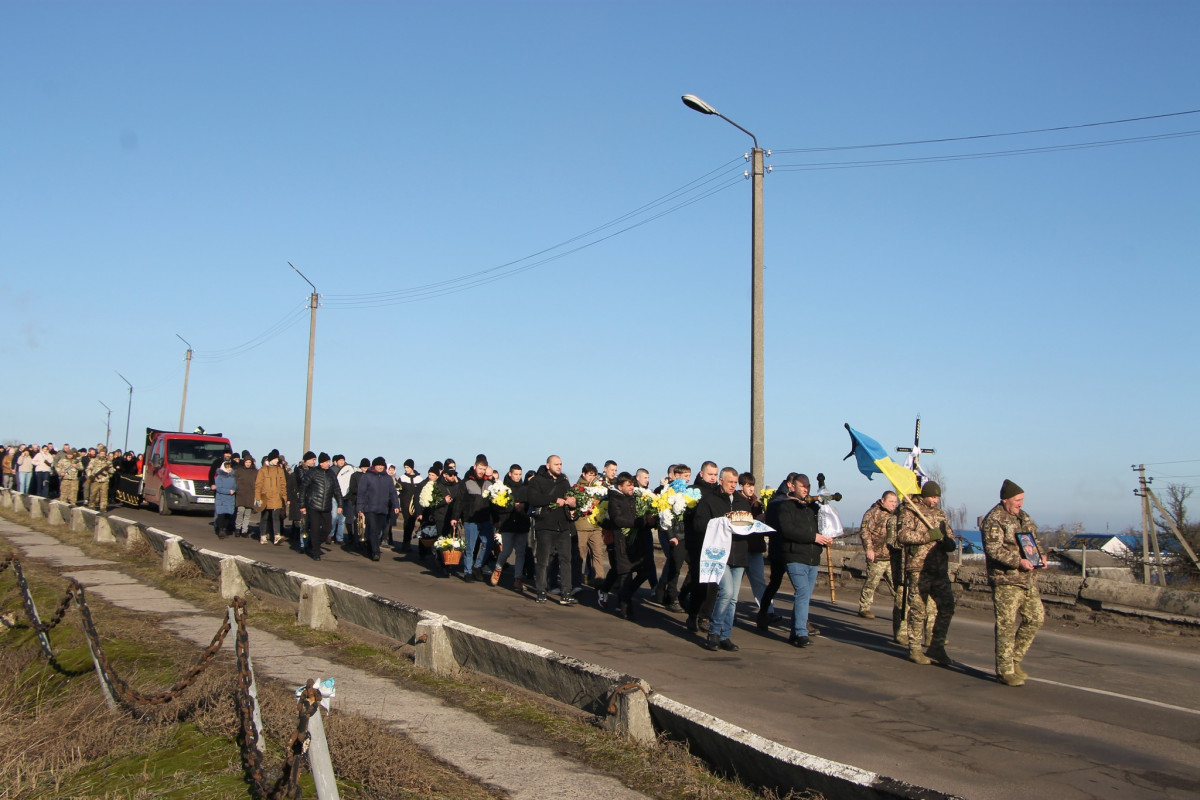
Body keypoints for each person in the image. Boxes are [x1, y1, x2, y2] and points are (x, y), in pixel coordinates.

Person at [982, 479, 1045, 687]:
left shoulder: (1023, 517)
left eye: (1022, 500)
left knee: (1036, 618)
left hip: (1027, 579)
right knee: (1006, 625)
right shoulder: (994, 519)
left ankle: (1015, 659)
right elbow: (994, 550)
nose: (1020, 504)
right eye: (1017, 500)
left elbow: (1033, 541)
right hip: (1006, 579)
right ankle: (1004, 670)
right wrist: (1019, 561)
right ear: (1005, 499)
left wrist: (1040, 557)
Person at [687, 466, 752, 646]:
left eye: (735, 482)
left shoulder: (741, 501)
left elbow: (748, 522)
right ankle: (714, 632)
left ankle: (725, 636)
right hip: (718, 554)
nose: (733, 485)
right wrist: (721, 523)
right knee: (726, 592)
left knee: (733, 598)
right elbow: (699, 525)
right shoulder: (709, 500)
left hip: (738, 553)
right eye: (729, 482)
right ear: (721, 481)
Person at [766, 473, 830, 648]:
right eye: (802, 485)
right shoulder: (784, 506)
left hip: (812, 557)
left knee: (805, 596)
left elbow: (823, 525)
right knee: (802, 592)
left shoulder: (813, 508)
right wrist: (813, 537)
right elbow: (788, 531)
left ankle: (794, 633)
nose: (806, 489)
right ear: (792, 486)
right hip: (794, 555)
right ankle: (801, 632)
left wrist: (826, 536)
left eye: (808, 486)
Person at [896, 481, 956, 666]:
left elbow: (950, 536)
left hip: (939, 568)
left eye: (937, 497)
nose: (935, 501)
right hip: (919, 568)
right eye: (932, 497)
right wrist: (928, 536)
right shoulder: (910, 511)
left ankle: (937, 645)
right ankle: (914, 648)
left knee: (947, 606)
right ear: (924, 496)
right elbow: (903, 536)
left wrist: (948, 542)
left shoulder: (940, 514)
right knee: (918, 609)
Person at [526, 455, 577, 606]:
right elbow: (533, 499)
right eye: (556, 464)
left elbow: (571, 502)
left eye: (561, 464)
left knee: (566, 560)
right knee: (543, 560)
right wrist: (554, 499)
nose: (559, 467)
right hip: (545, 526)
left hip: (563, 526)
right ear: (548, 465)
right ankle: (541, 591)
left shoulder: (564, 482)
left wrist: (573, 504)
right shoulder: (537, 480)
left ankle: (566, 593)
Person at [606, 472, 656, 620]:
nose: (632, 487)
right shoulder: (614, 500)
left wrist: (651, 520)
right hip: (622, 543)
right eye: (628, 485)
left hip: (638, 543)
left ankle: (624, 596)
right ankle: (625, 608)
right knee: (625, 576)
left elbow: (643, 516)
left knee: (646, 571)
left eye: (633, 484)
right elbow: (618, 519)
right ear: (620, 486)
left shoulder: (636, 498)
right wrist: (639, 522)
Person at [857, 490, 900, 619]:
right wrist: (869, 549)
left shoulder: (897, 514)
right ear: (883, 501)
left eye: (895, 502)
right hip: (877, 556)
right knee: (871, 583)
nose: (894, 504)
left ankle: (902, 609)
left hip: (892, 557)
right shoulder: (872, 513)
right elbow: (865, 532)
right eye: (891, 501)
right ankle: (864, 607)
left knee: (898, 586)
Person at [301, 453, 343, 561]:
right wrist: (302, 505)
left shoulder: (331, 474)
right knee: (314, 529)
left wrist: (340, 504)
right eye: (326, 462)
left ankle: (313, 543)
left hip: (326, 506)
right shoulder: (312, 472)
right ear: (321, 463)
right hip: (313, 505)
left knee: (327, 528)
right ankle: (315, 552)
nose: (328, 464)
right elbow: (303, 489)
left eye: (329, 462)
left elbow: (337, 490)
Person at [460, 457, 497, 581]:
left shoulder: (489, 484)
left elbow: (493, 504)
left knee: (489, 543)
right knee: (470, 547)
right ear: (475, 467)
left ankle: (478, 565)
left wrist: (496, 519)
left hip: (486, 519)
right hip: (471, 519)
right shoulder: (466, 482)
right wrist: (455, 517)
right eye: (480, 468)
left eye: (484, 469)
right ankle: (468, 572)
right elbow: (459, 501)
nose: (482, 471)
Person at [358, 457, 400, 562]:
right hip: (370, 508)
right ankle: (376, 552)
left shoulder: (388, 479)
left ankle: (369, 546)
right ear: (374, 466)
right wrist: (360, 508)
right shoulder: (367, 477)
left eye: (382, 465)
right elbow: (361, 493)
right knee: (372, 530)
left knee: (378, 531)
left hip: (383, 509)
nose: (380, 467)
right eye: (378, 465)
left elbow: (393, 493)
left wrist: (396, 506)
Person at [573, 463, 607, 588]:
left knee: (598, 554)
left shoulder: (600, 487)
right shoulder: (577, 487)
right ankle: (576, 583)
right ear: (584, 474)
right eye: (590, 475)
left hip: (596, 527)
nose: (592, 477)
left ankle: (600, 582)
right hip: (581, 527)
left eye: (594, 475)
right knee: (579, 557)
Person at [255, 449, 288, 545]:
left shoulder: (280, 471)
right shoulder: (263, 470)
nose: (277, 460)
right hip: (265, 497)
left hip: (276, 498)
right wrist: (258, 498)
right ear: (270, 460)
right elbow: (258, 485)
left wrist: (284, 497)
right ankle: (263, 535)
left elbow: (283, 485)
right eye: (275, 459)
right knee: (264, 517)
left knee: (276, 517)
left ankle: (277, 536)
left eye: (277, 459)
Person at [234, 452, 258, 538]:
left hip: (250, 495)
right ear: (244, 462)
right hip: (241, 495)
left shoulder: (255, 472)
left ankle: (244, 530)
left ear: (251, 463)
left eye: (249, 462)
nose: (248, 464)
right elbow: (235, 481)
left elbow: (257, 484)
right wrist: (236, 489)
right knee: (240, 512)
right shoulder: (239, 471)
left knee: (247, 514)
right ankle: (237, 528)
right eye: (246, 462)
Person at [84, 446, 113, 511]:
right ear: (99, 453)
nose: (103, 454)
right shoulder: (94, 460)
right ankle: (91, 505)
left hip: (104, 480)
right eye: (101, 453)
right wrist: (90, 476)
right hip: (95, 480)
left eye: (104, 453)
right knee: (93, 494)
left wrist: (109, 470)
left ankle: (103, 508)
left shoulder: (108, 461)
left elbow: (112, 471)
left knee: (104, 495)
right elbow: (88, 469)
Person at [213, 459, 236, 539]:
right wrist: (229, 491)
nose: (229, 469)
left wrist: (234, 490)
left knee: (228, 515)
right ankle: (221, 530)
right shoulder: (219, 477)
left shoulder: (233, 477)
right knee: (221, 515)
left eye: (229, 467)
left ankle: (225, 529)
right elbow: (219, 488)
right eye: (227, 467)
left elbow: (235, 486)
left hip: (230, 498)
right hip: (221, 498)